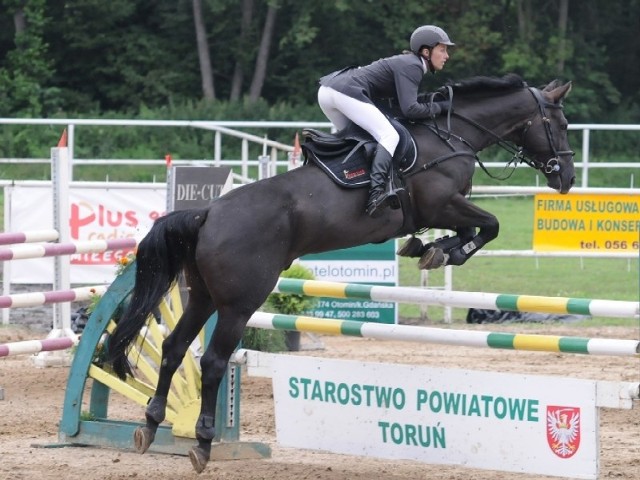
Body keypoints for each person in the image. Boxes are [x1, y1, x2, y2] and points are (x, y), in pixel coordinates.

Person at [317, 25, 454, 218]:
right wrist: (440, 108)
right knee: (389, 135)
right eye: (442, 49)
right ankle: (376, 194)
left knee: (359, 141)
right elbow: (410, 109)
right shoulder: (414, 66)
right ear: (426, 51)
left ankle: (347, 186)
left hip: (328, 91)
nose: (447, 55)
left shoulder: (408, 63)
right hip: (344, 92)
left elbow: (398, 107)